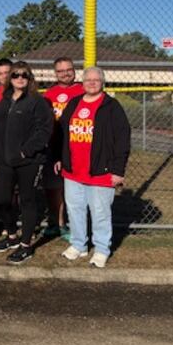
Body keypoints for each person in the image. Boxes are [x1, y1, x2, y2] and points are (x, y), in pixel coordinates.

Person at [54, 66, 131, 268]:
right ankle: (79, 245)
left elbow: (122, 140)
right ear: (83, 82)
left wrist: (118, 170)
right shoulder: (74, 103)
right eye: (88, 79)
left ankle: (101, 249)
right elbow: (62, 133)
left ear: (102, 82)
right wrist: (60, 157)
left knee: (100, 213)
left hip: (100, 171)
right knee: (75, 209)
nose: (92, 83)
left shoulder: (111, 106)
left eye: (96, 80)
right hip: (73, 171)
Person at [0, 61, 53, 265]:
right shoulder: (5, 98)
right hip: (5, 160)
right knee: (1, 199)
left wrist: (25, 150)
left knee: (27, 201)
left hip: (28, 161)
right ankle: (11, 235)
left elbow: (44, 131)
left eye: (24, 75)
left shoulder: (37, 101)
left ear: (30, 79)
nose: (19, 78)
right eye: (15, 74)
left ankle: (26, 245)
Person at [41, 57, 84, 240]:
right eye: (61, 71)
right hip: (53, 147)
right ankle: (57, 223)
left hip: (77, 147)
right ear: (55, 73)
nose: (65, 73)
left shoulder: (83, 90)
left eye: (69, 69)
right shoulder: (49, 94)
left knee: (76, 190)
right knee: (54, 189)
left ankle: (77, 225)